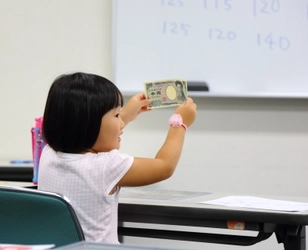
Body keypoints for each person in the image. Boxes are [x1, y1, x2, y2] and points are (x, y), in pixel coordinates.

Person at [38, 72, 197, 243]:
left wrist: (127, 113)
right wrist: (179, 123)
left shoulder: (48, 154)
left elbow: (96, 133)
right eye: (116, 116)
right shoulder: (107, 166)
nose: (121, 123)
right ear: (89, 125)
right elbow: (164, 166)